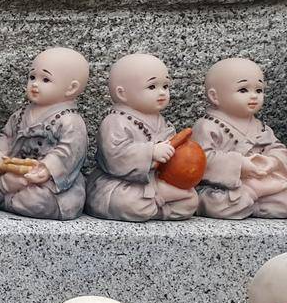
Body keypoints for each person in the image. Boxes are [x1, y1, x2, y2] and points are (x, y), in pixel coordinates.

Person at [86, 54, 198, 222]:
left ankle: (153, 204)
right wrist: (151, 152)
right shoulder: (115, 121)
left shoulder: (162, 122)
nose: (162, 93)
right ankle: (157, 204)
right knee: (127, 202)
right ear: (122, 93)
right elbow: (114, 157)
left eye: (165, 86)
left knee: (191, 200)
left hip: (155, 181)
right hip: (121, 183)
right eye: (152, 87)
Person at [0, 47, 91, 220]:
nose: (35, 84)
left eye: (45, 79)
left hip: (48, 181)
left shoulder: (70, 121)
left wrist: (48, 168)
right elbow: (7, 136)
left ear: (71, 88)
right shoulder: (20, 114)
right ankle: (7, 189)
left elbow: (70, 151)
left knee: (38, 200)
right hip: (15, 170)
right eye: (32, 77)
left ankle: (8, 196)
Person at [193, 58, 287, 219]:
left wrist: (273, 161)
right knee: (214, 203)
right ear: (215, 96)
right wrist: (239, 165)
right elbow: (200, 159)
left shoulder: (260, 126)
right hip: (223, 188)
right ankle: (253, 191)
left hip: (263, 180)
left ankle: (255, 197)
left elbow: (277, 148)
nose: (254, 96)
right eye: (243, 90)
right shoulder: (207, 126)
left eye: (259, 90)